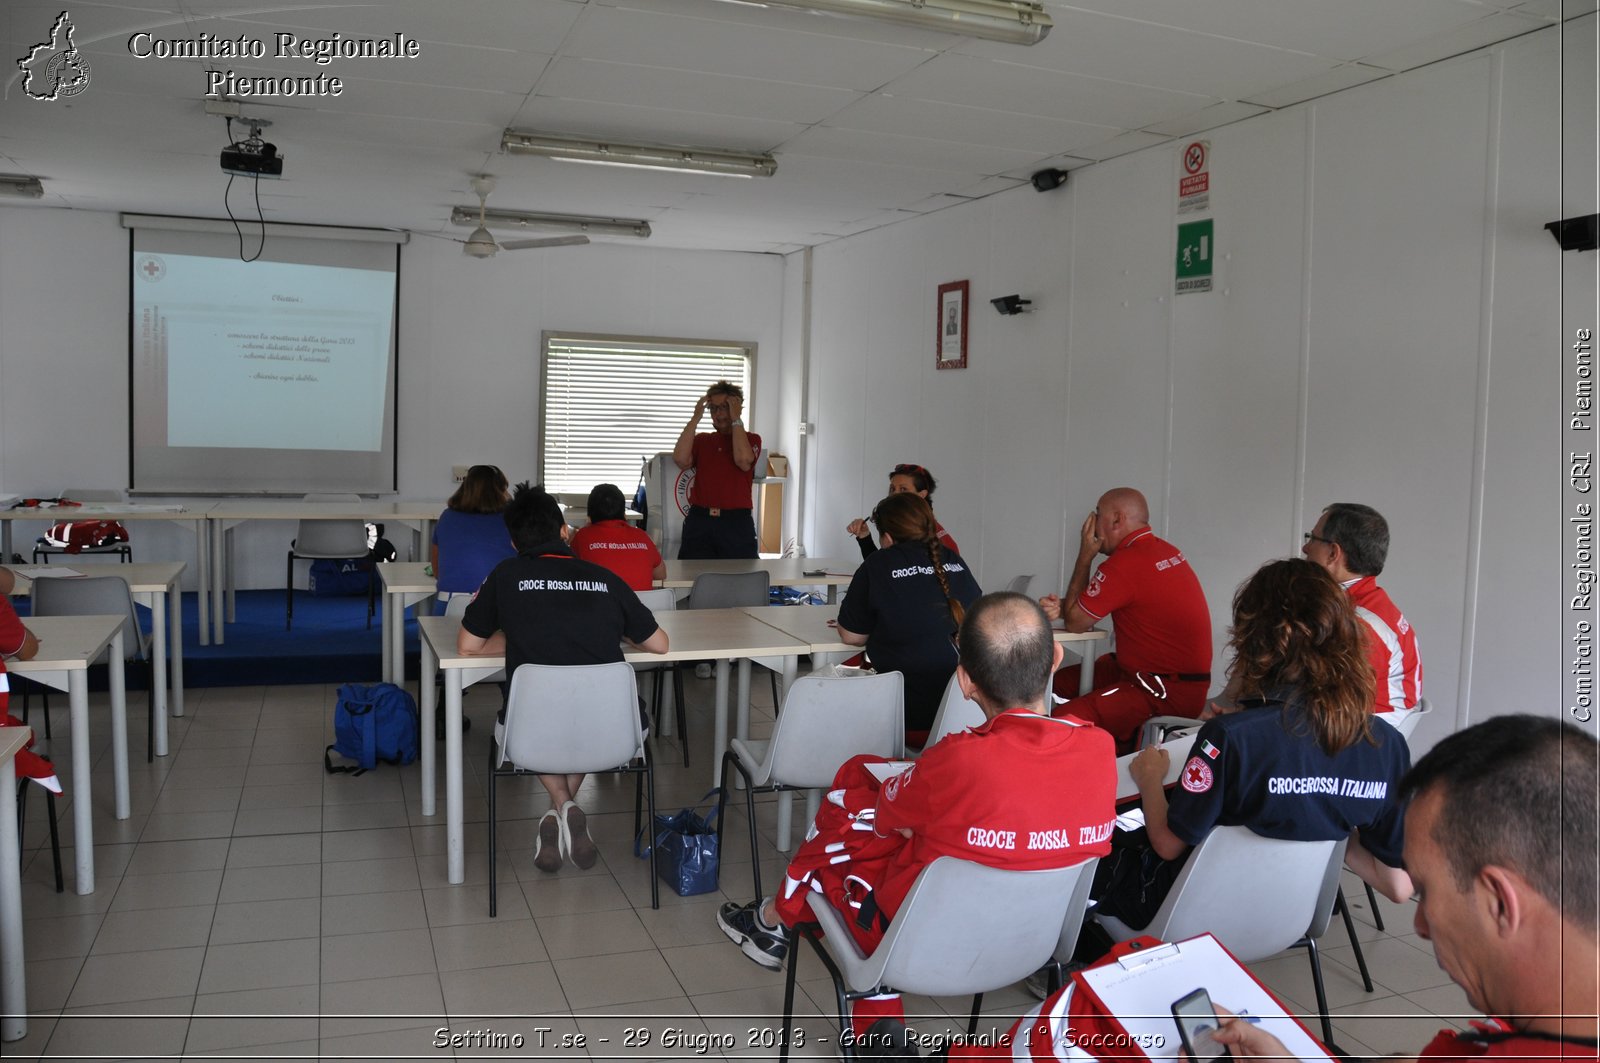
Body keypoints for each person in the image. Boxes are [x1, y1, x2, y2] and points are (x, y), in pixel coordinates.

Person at [885, 715, 1596, 1062]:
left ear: (1501, 900)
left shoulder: (1239, 738)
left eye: (1434, 892)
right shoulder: (1540, 1026)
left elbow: (1166, 840)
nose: (1418, 921)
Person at [716, 592, 1117, 1040]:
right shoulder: (1101, 749)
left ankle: (777, 924)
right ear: (1057, 657)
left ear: (964, 682)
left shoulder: (958, 761)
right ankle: (780, 926)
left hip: (913, 944)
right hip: (1029, 948)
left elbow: (887, 812)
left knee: (846, 820)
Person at [1093, 558, 1411, 935]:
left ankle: (1079, 964)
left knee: (1101, 839)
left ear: (1255, 639)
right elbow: (1399, 887)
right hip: (1286, 923)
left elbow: (1167, 845)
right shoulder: (1385, 744)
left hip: (1187, 919)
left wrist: (1150, 777)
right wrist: (1327, 816)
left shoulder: (1231, 737)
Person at [457, 483, 667, 873]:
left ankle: (560, 807)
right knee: (582, 712)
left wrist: (520, 634)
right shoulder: (602, 577)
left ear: (513, 541)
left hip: (530, 731)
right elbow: (659, 644)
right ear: (565, 531)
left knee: (545, 717)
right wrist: (612, 630)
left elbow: (468, 645)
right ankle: (566, 807)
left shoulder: (506, 575)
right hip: (612, 731)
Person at [1040, 488, 1211, 748]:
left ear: (1117, 520)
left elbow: (1076, 623)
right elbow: (1109, 603)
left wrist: (1085, 556)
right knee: (1052, 683)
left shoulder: (1123, 564)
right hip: (1163, 678)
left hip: (1160, 689)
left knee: (1061, 722)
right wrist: (1064, 607)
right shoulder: (1162, 550)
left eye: (1097, 514)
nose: (1093, 524)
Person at [834, 492, 982, 738]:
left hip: (903, 716)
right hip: (965, 713)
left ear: (887, 537)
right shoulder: (954, 559)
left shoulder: (878, 564)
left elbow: (852, 636)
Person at [1302, 502, 1422, 716]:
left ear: (1333, 553)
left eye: (1312, 538)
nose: (1305, 548)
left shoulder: (1358, 623)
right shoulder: (1365, 603)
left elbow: (1331, 705)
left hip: (1363, 735)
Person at [672, 380, 761, 560]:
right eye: (713, 409)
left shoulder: (752, 439)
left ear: (737, 408)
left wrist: (736, 419)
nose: (718, 415)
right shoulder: (703, 440)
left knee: (740, 577)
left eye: (725, 407)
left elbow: (743, 460)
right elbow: (681, 459)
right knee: (691, 576)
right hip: (700, 519)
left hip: (736, 522)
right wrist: (696, 417)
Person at [430, 464, 514, 607]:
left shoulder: (447, 517)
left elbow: (437, 569)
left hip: (449, 604)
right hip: (497, 605)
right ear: (500, 491)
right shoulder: (511, 520)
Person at [846, 464, 960, 559]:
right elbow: (883, 568)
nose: (894, 494)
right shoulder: (909, 525)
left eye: (903, 489)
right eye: (892, 489)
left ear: (921, 495)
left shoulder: (921, 532)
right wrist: (864, 536)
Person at [571, 482, 664, 591]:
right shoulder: (642, 536)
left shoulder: (582, 537)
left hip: (602, 606)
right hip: (640, 606)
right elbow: (661, 574)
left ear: (589, 516)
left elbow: (570, 573)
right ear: (624, 514)